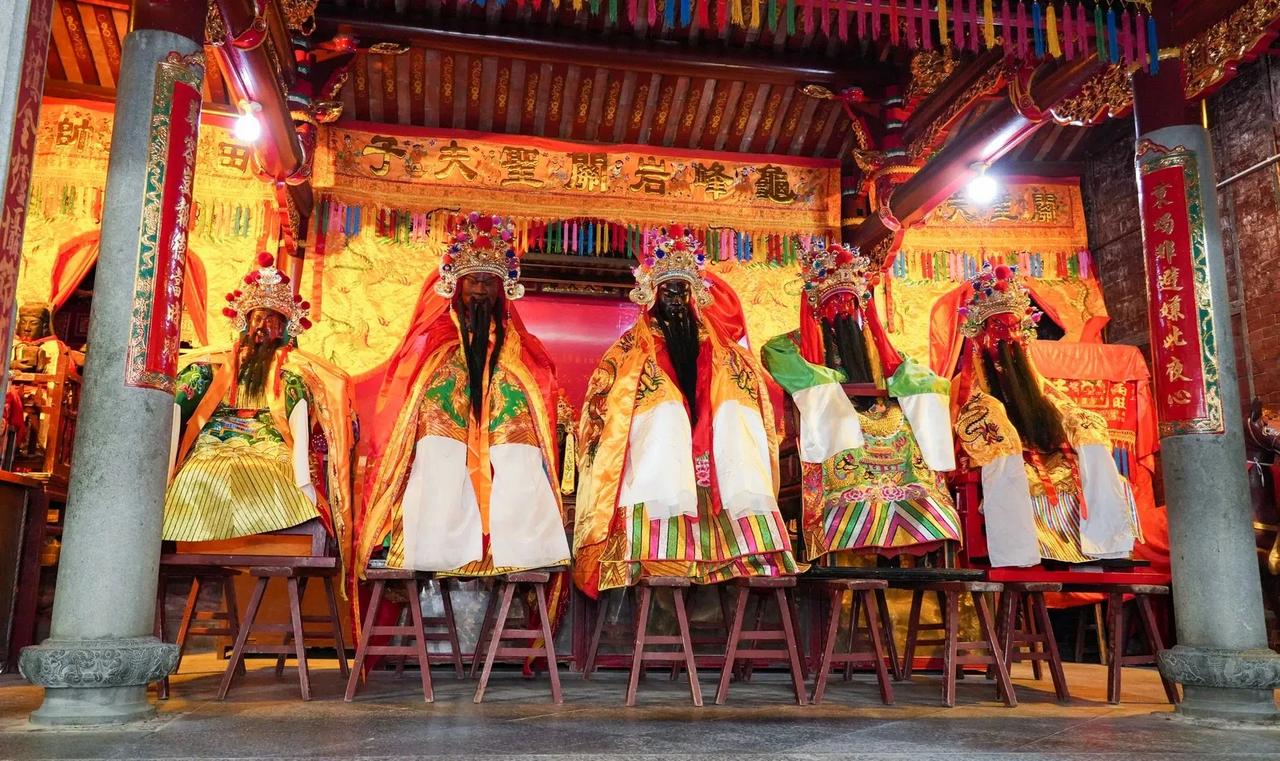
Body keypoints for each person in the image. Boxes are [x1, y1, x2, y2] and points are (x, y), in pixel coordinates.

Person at [573, 225, 799, 596]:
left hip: (713, 461)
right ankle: (656, 560)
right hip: (656, 467)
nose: (676, 299)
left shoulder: (723, 351)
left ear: (694, 294)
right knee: (663, 419)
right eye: (668, 291)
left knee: (734, 425)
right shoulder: (629, 353)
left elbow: (745, 393)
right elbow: (606, 411)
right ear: (652, 293)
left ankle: (738, 560)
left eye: (682, 290)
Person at [359, 212, 569, 576]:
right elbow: (400, 403)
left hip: (505, 472)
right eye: (474, 281)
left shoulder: (521, 351)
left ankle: (512, 548)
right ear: (458, 285)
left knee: (517, 451)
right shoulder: (433, 343)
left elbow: (542, 395)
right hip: (443, 453)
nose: (481, 291)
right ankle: (433, 545)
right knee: (437, 448)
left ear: (501, 289)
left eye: (489, 282)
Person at [761, 239, 961, 564]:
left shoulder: (874, 347)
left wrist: (907, 381)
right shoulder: (792, 344)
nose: (843, 309)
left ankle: (926, 521)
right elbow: (777, 357)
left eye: (850, 303)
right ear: (818, 306)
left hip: (882, 421)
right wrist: (828, 381)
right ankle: (847, 527)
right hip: (838, 423)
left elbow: (906, 369)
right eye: (835, 302)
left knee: (911, 434)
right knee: (840, 428)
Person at [163, 253, 355, 575]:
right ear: (246, 322)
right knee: (198, 474)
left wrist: (304, 477)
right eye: (257, 318)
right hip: (214, 442)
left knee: (263, 472)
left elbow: (299, 408)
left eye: (272, 320)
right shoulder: (217, 365)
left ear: (283, 329)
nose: (263, 326)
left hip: (269, 441)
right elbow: (183, 395)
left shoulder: (291, 370)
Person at [951, 263, 1139, 567]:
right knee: (1001, 442)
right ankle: (1017, 553)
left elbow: (1060, 405)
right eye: (999, 328)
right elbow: (962, 423)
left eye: (1015, 328)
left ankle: (1107, 543)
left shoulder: (1033, 380)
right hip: (1008, 456)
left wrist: (1083, 427)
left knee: (1089, 428)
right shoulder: (967, 387)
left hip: (1049, 454)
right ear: (981, 335)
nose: (1009, 336)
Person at [9, 303, 64, 374]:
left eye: (33, 323)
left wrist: (41, 365)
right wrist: (11, 365)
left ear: (44, 327)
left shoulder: (52, 346)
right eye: (23, 322)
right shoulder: (9, 343)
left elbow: (55, 375)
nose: (26, 328)